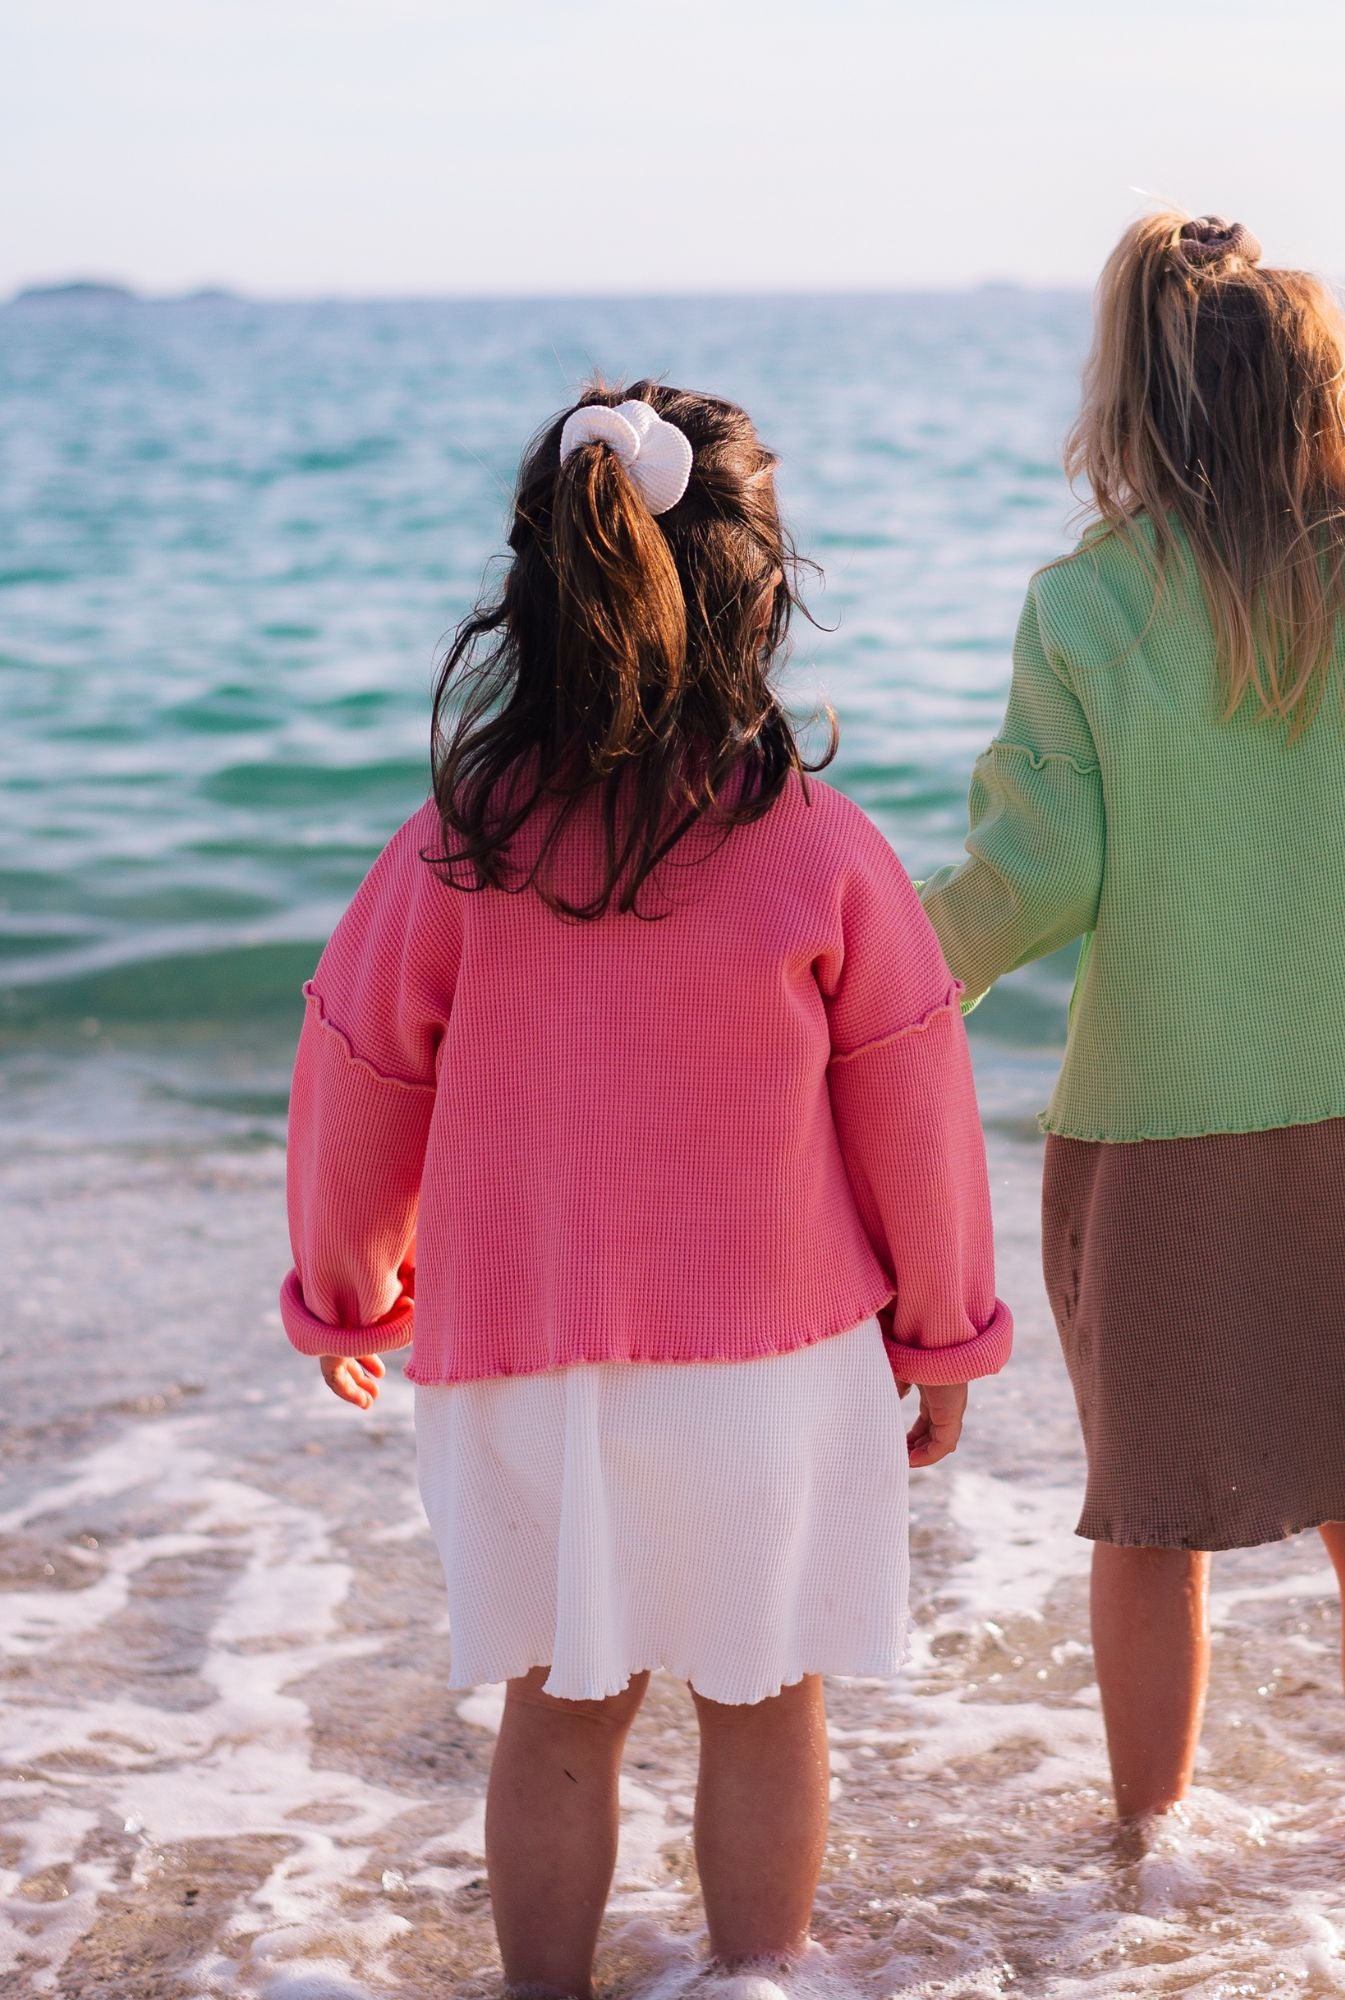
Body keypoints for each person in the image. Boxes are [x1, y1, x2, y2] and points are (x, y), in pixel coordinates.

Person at [279, 381, 1011, 1996]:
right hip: (768, 1368)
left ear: (537, 594)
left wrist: (347, 1288)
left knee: (558, 1708)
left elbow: (355, 1077)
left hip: (523, 1366)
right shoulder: (820, 848)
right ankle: (761, 1978)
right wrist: (943, 1332)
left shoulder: (452, 846)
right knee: (761, 1700)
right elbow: (912, 1108)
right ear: (762, 598)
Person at [921, 212, 1345, 1820]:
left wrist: (856, 977)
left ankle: (1142, 1856)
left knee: (1149, 1523)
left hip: (1161, 1135)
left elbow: (1029, 876)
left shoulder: (1088, 608)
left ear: (1128, 410)